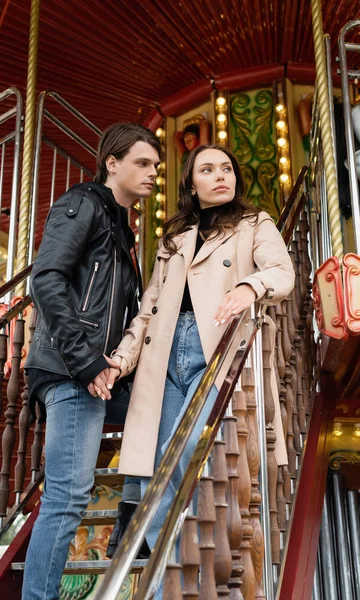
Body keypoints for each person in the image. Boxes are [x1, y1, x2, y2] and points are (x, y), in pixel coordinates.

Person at [99, 143, 295, 596]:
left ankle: (176, 579)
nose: (220, 175)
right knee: (152, 469)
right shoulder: (176, 237)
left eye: (226, 168)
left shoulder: (253, 224)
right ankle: (170, 577)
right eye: (207, 170)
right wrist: (122, 361)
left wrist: (250, 285)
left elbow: (281, 272)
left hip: (218, 349)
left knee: (182, 450)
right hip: (165, 355)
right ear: (192, 183)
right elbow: (148, 309)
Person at [22, 122, 160, 600]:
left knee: (165, 412)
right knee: (67, 496)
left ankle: (127, 517)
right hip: (71, 369)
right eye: (142, 163)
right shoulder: (83, 203)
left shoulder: (122, 230)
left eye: (157, 167)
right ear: (113, 163)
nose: (152, 174)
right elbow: (46, 279)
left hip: (100, 372)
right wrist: (86, 362)